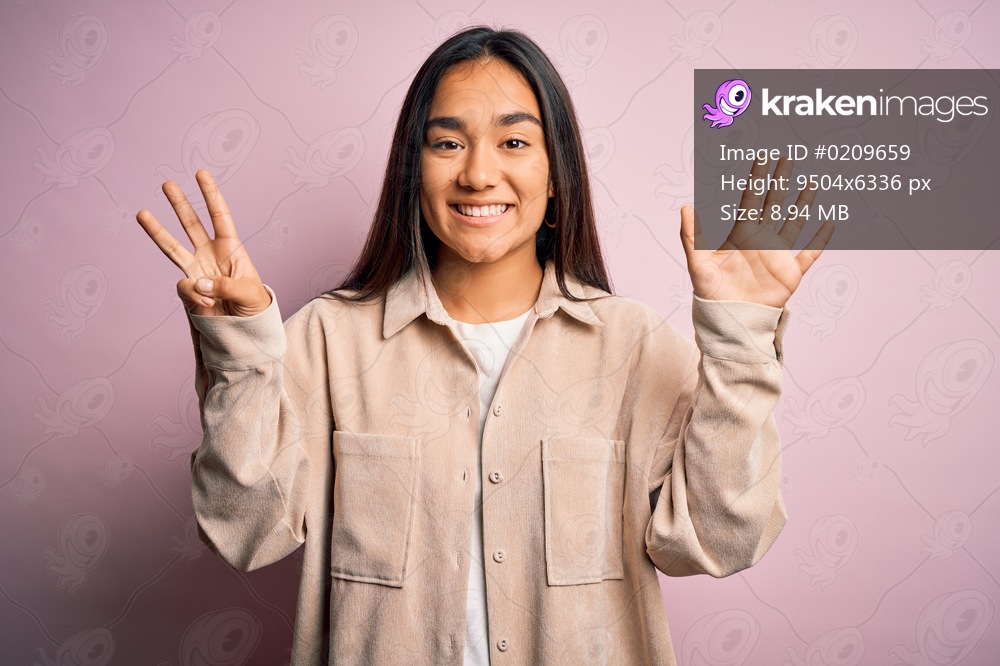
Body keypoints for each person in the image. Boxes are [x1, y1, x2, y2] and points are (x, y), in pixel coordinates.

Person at [137, 26, 831, 666]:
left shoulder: (636, 347)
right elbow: (245, 534)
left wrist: (741, 335)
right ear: (414, 171)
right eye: (447, 143)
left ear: (558, 177)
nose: (476, 173)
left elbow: (718, 540)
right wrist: (240, 352)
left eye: (514, 142)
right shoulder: (326, 341)